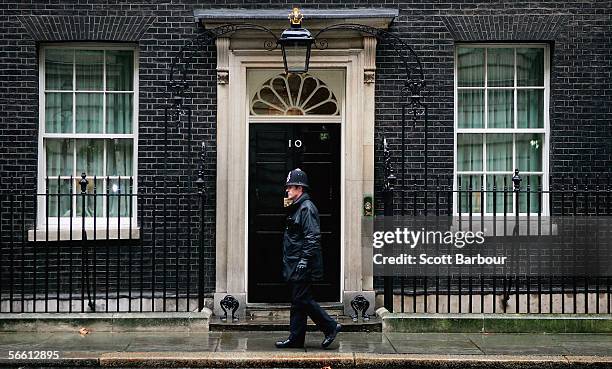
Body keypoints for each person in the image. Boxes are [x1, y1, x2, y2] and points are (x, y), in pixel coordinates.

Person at [275, 168, 341, 349]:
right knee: (298, 301)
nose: (287, 190)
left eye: (290, 187)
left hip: (302, 264)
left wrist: (304, 261)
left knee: (303, 300)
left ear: (300, 189)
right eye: (287, 187)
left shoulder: (307, 208)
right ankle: (296, 338)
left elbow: (312, 237)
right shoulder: (297, 207)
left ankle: (330, 326)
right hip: (296, 262)